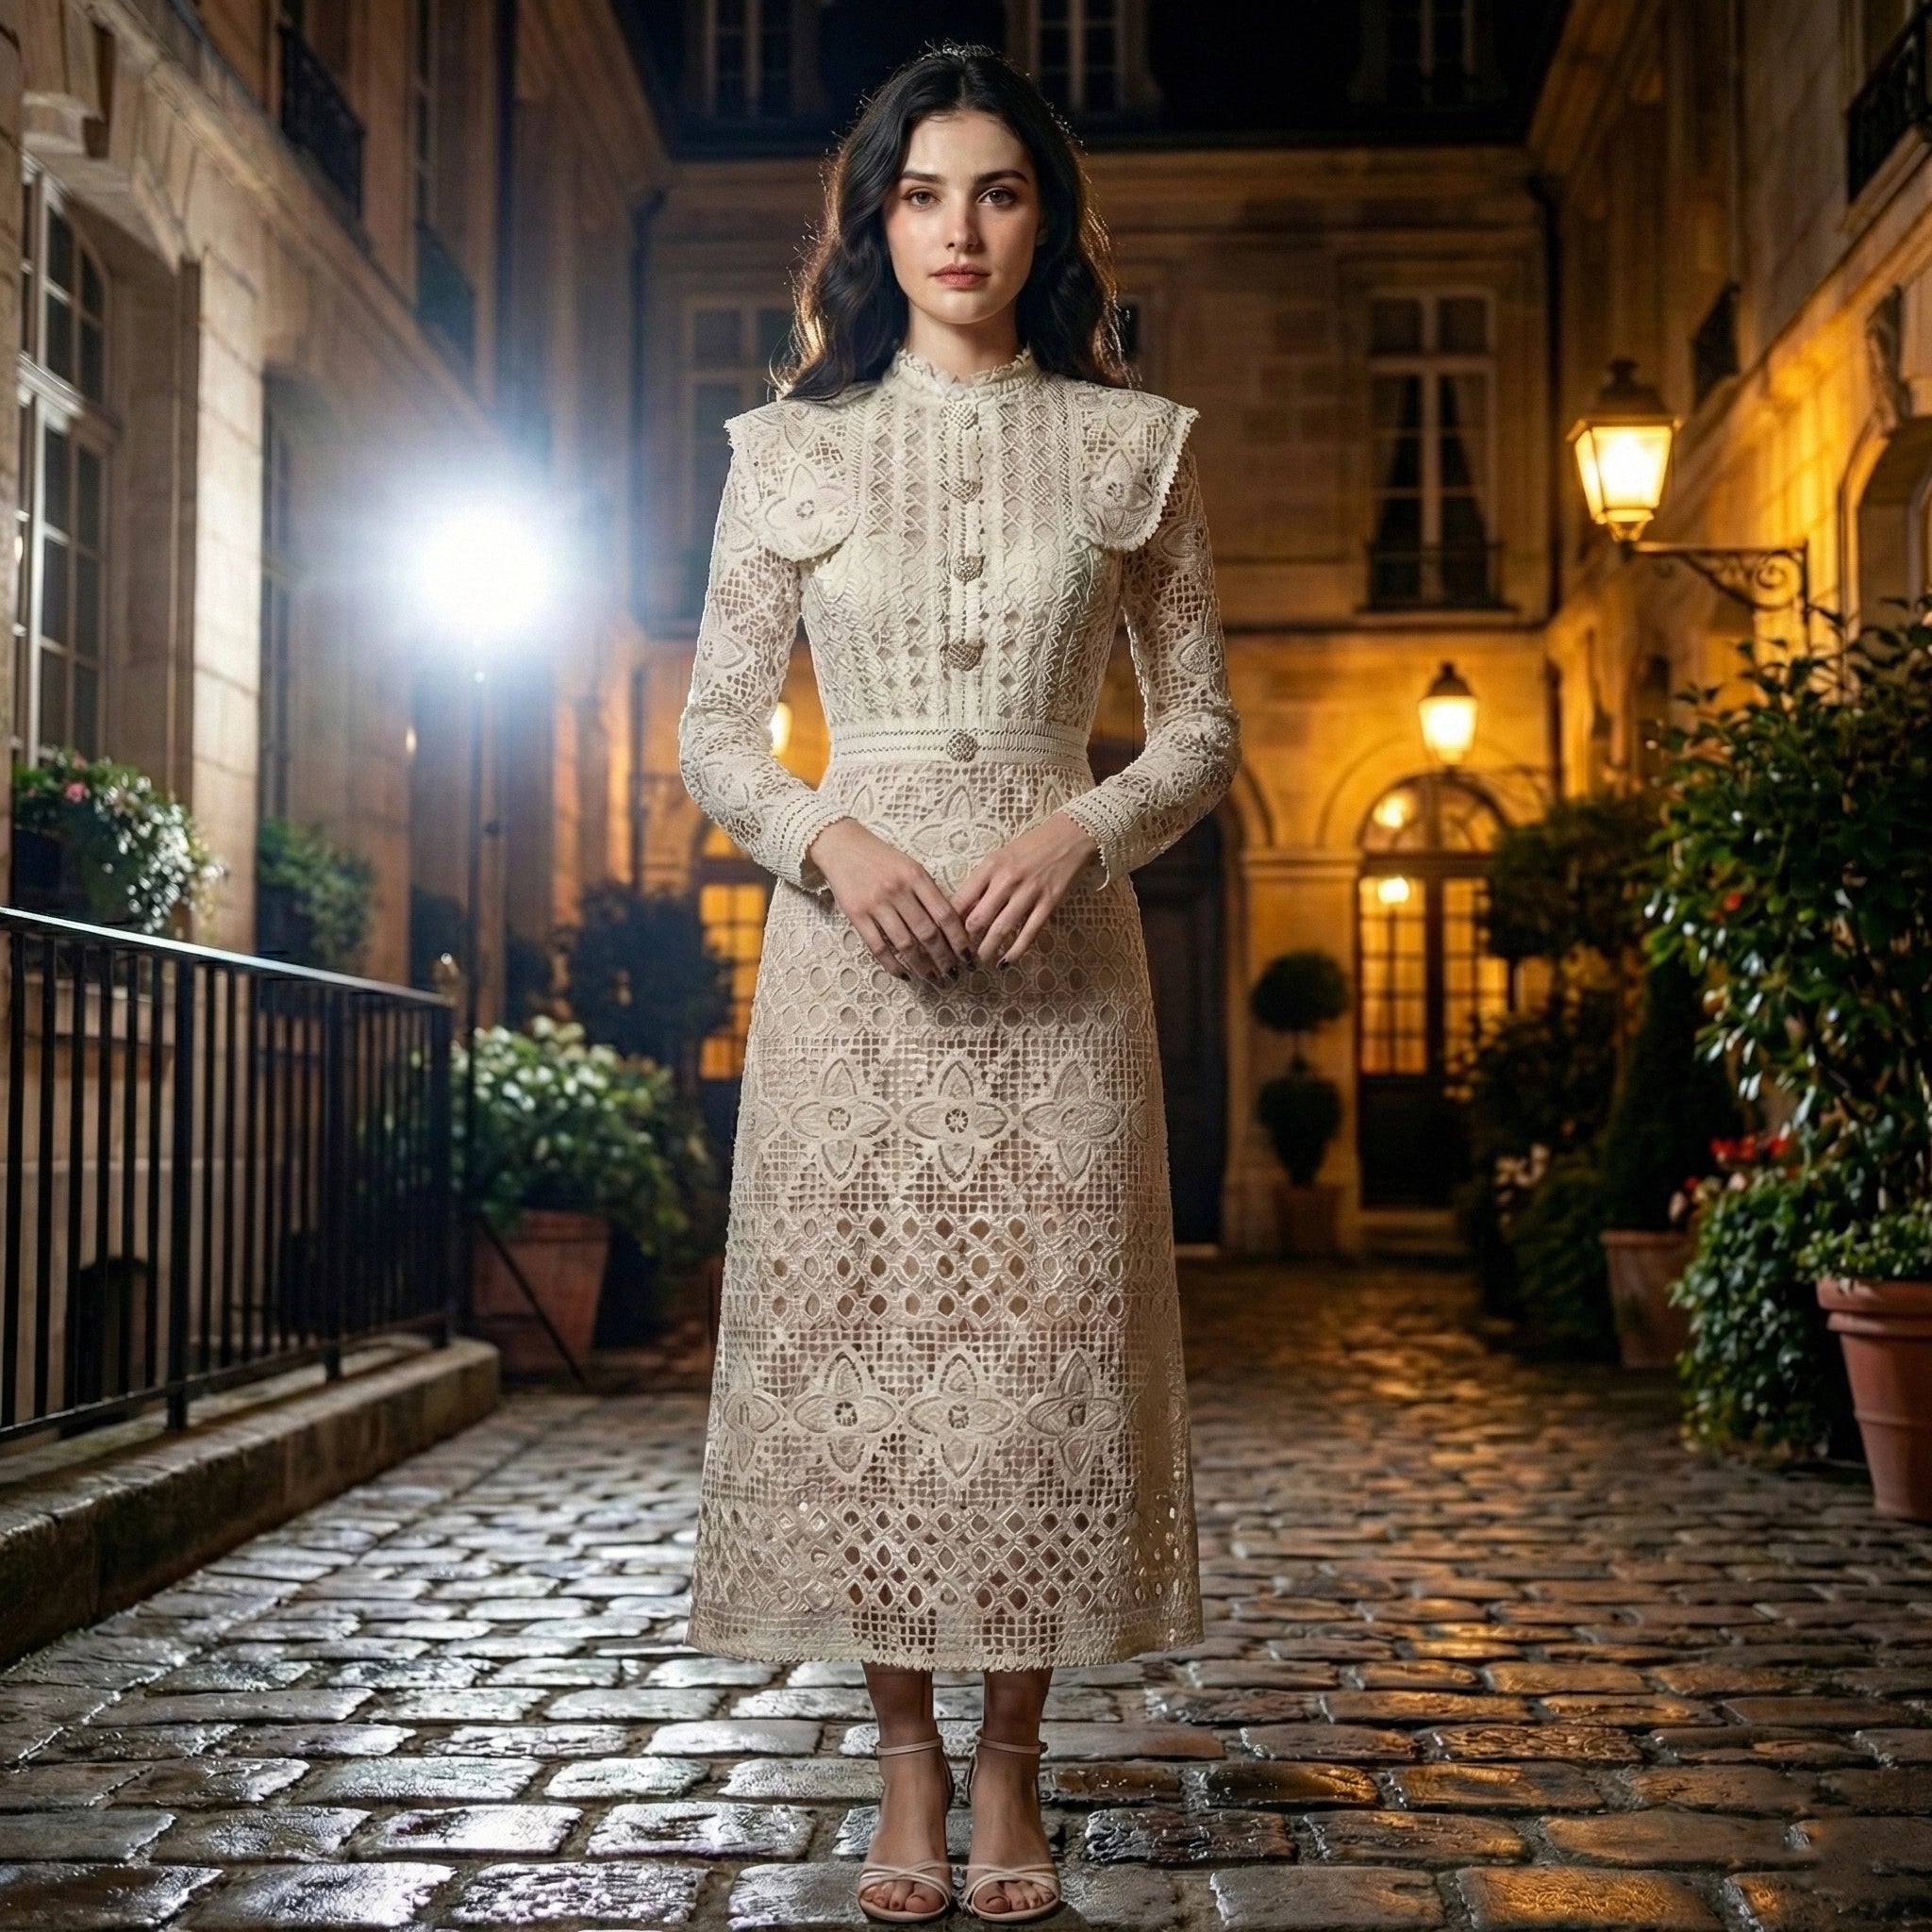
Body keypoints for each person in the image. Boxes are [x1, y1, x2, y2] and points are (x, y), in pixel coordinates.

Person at [677, 42, 1240, 1925]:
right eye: (922, 194)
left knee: (1040, 1367)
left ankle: (1013, 1768)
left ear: (1048, 219)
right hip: (853, 975)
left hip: (1054, 958)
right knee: (868, 1369)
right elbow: (714, 739)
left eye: (997, 191)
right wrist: (835, 847)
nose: (959, 230)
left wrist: (1073, 835)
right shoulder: (791, 453)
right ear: (874, 220)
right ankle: (901, 1771)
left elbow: (1201, 730)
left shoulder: (1128, 443)